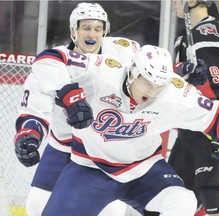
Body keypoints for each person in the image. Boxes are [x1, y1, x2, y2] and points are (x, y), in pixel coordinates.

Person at [14, 44, 219, 215]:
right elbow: (50, 58)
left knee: (183, 201)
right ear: (132, 72)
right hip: (90, 169)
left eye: (158, 85)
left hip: (144, 171)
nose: (152, 91)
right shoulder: (103, 72)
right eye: (147, 82)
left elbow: (216, 116)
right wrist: (68, 93)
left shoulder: (174, 91)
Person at [14, 2, 140, 215]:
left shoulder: (121, 54)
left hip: (102, 150)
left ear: (105, 32)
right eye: (86, 28)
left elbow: (153, 75)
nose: (92, 33)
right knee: (36, 207)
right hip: (63, 146)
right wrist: (29, 135)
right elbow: (35, 107)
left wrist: (181, 72)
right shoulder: (53, 63)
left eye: (98, 29)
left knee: (111, 210)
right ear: (74, 30)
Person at [169, 1, 219, 215]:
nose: (173, 3)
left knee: (213, 194)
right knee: (173, 196)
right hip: (191, 127)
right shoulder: (184, 36)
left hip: (218, 125)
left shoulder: (208, 32)